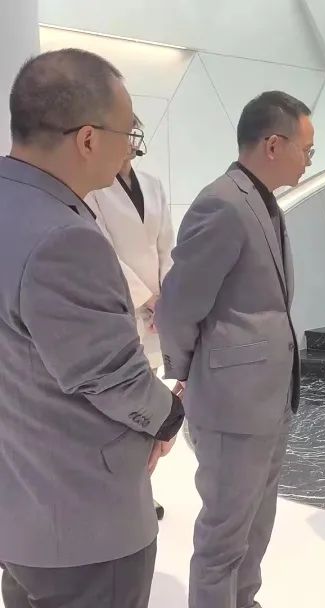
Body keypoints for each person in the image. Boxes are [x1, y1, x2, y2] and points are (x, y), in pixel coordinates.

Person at [0, 49, 182, 608]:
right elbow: (109, 376)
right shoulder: (64, 236)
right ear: (87, 139)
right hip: (84, 526)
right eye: (129, 135)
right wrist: (169, 414)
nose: (131, 148)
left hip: (20, 507)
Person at [156, 91, 312, 608]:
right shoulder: (222, 203)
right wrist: (189, 371)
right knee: (224, 537)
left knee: (256, 527)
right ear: (274, 144)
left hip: (268, 400)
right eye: (307, 148)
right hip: (231, 404)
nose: (310, 158)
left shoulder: (263, 201)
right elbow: (178, 305)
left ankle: (243, 600)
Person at [85, 114, 174, 521]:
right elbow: (102, 250)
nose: (131, 138)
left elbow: (168, 248)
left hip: (157, 313)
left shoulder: (153, 185)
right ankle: (115, 490)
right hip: (120, 308)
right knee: (118, 408)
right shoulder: (93, 189)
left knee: (148, 402)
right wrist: (147, 298)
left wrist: (167, 300)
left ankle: (142, 487)